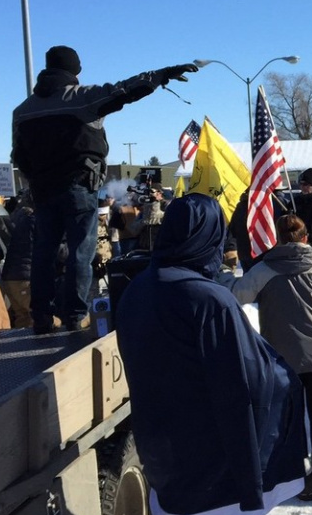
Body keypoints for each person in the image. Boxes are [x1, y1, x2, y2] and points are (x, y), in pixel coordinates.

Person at [115, 194, 307, 515]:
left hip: (164, 456)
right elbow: (243, 382)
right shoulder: (209, 298)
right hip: (212, 470)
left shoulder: (138, 287)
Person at [11, 45, 197, 333]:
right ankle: (75, 315)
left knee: (43, 254)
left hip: (43, 191)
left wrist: (34, 181)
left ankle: (42, 318)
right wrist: (161, 75)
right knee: (80, 252)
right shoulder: (81, 98)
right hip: (78, 186)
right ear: (74, 69)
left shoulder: (23, 110)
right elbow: (125, 90)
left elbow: (18, 156)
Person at [225, 214, 312, 502]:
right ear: (306, 238)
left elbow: (236, 296)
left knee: (290, 417)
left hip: (283, 354)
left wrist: (225, 276)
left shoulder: (264, 270)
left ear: (277, 238)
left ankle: (299, 476)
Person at [1, 190, 35, 328]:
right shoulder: (33, 222)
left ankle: (24, 345)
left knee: (23, 317)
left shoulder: (19, 220)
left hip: (12, 276)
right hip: (24, 277)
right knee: (34, 316)